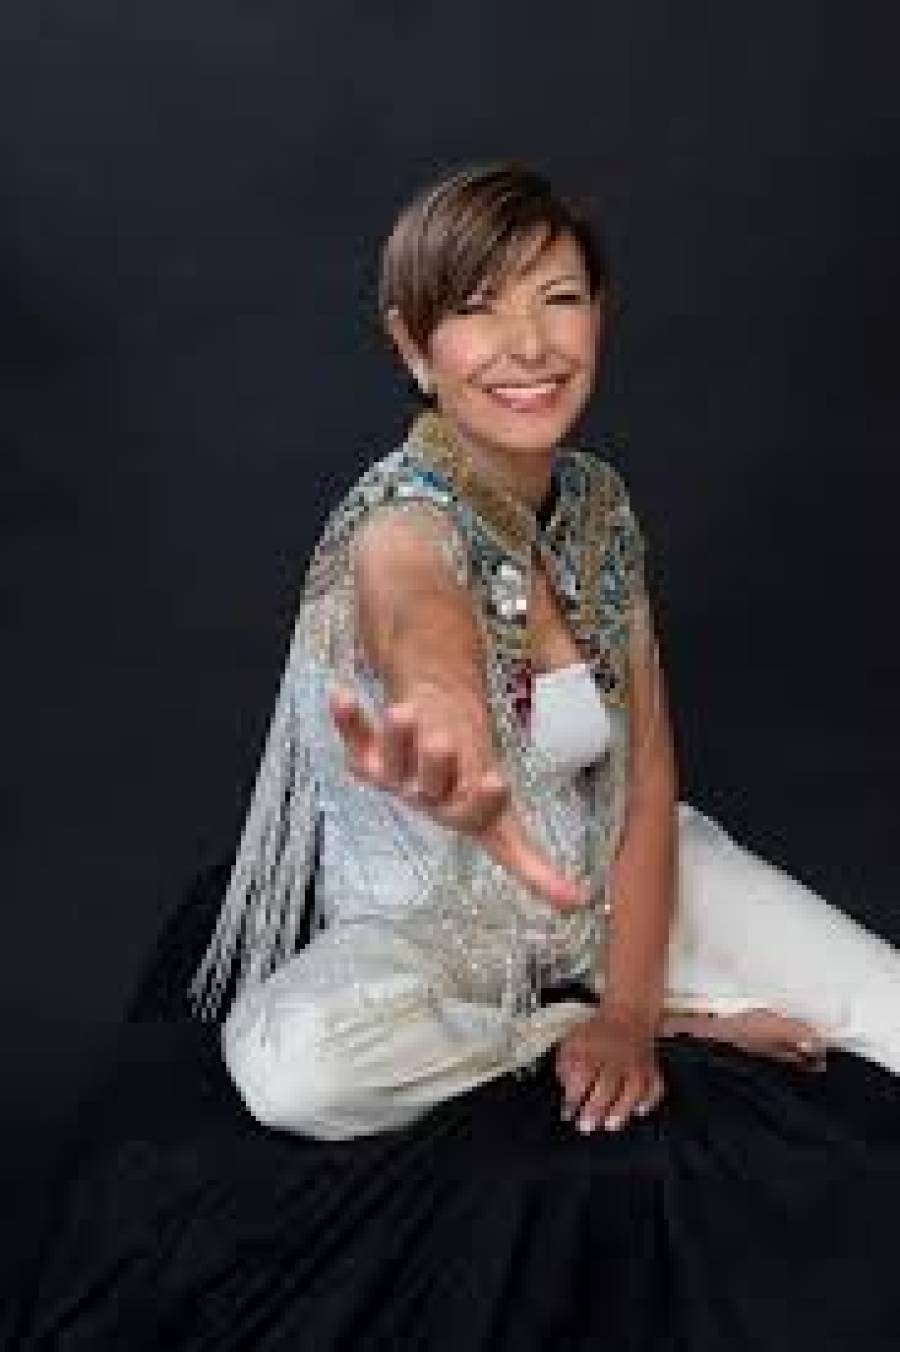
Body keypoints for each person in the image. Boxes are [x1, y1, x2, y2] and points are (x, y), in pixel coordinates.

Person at [10, 160, 900, 1351]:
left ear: (600, 314)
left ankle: (637, 996)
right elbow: (413, 603)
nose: (528, 344)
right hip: (431, 940)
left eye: (559, 298)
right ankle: (566, 1019)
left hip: (619, 888)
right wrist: (443, 715)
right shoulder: (393, 522)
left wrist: (633, 1010)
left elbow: (644, 781)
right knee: (297, 1065)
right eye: (478, 307)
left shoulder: (599, 508)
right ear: (413, 345)